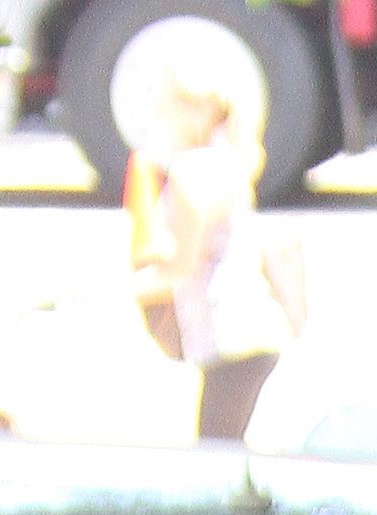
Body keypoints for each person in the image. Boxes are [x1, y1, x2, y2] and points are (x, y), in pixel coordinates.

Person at [124, 63, 295, 442]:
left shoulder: (192, 173)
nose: (158, 121)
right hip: (249, 330)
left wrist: (111, 292)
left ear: (192, 113)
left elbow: (180, 268)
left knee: (217, 455)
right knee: (225, 449)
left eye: (163, 110)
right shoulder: (229, 161)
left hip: (231, 334)